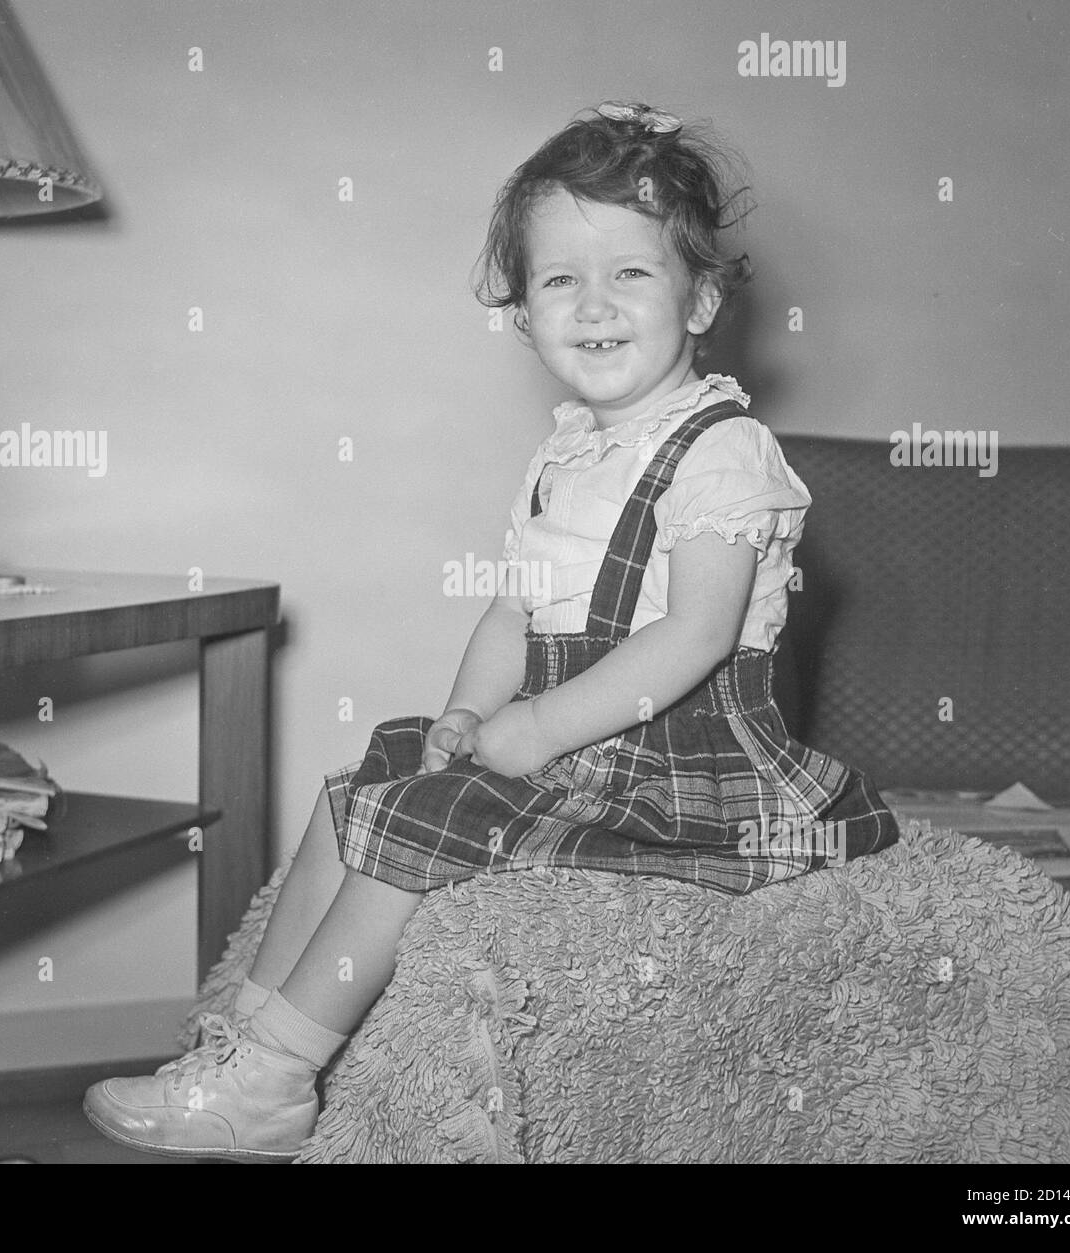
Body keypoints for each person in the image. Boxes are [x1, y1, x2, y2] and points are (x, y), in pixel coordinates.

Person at [83, 101, 900, 1161]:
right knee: (359, 799)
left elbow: (695, 635)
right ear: (523, 314)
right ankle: (234, 1041)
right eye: (560, 279)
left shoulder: (722, 449)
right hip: (574, 728)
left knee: (424, 833)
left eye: (632, 275)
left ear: (699, 298)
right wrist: (471, 710)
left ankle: (277, 1080)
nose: (593, 304)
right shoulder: (563, 454)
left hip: (679, 752)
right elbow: (515, 609)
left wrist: (542, 725)